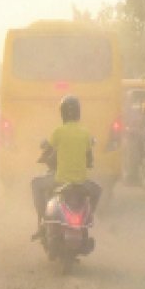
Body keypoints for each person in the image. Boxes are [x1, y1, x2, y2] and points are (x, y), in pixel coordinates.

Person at [31, 95, 102, 240]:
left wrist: (43, 156)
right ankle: (88, 216)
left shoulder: (58, 132)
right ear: (78, 113)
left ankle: (42, 221)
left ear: (62, 113)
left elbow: (48, 151)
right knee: (97, 190)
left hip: (60, 180)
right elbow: (90, 158)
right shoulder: (85, 133)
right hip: (81, 183)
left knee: (35, 184)